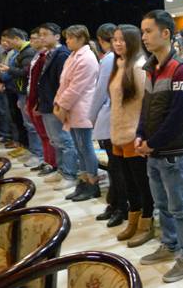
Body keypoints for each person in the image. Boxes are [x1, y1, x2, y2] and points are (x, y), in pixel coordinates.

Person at [136, 10, 183, 283]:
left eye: (148, 31)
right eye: (142, 32)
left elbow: (179, 116)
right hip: (153, 151)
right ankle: (170, 244)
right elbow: (146, 106)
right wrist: (140, 135)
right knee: (162, 204)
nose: (144, 37)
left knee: (180, 207)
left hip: (172, 152)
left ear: (166, 33)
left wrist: (152, 143)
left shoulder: (181, 69)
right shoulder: (151, 67)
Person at [109, 24, 155, 246]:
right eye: (115, 39)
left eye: (122, 39)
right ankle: (133, 219)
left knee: (140, 182)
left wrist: (142, 132)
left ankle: (146, 222)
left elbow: (146, 103)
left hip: (133, 132)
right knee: (128, 181)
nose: (117, 43)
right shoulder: (119, 64)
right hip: (118, 132)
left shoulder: (138, 66)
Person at [54, 25, 101, 201]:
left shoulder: (87, 58)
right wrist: (58, 102)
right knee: (79, 148)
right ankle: (83, 181)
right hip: (71, 107)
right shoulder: (73, 56)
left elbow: (76, 87)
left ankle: (93, 184)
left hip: (82, 107)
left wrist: (62, 105)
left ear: (81, 38)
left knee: (85, 147)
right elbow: (63, 84)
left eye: (70, 38)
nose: (67, 41)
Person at [89, 23, 127, 227]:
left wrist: (91, 116)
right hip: (111, 118)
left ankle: (120, 206)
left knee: (117, 167)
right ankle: (116, 204)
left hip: (112, 119)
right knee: (115, 167)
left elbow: (100, 91)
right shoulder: (115, 58)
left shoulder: (110, 59)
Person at [37, 23, 79, 190]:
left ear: (56, 36)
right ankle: (61, 170)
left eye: (45, 34)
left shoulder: (62, 54)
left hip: (57, 104)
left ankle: (69, 174)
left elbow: (64, 84)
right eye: (40, 34)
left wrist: (60, 104)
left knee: (65, 141)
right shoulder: (49, 54)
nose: (41, 37)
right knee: (55, 141)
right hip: (48, 103)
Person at [0, 28, 43, 166]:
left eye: (9, 41)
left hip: (26, 93)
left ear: (17, 39)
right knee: (27, 124)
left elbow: (26, 73)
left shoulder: (28, 52)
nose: (7, 44)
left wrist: (8, 70)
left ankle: (38, 155)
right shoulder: (21, 52)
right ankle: (34, 152)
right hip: (22, 92)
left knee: (32, 125)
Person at [26, 27, 57, 176]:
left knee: (49, 135)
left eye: (39, 37)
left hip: (42, 101)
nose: (35, 40)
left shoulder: (46, 57)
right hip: (33, 98)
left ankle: (53, 163)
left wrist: (38, 102)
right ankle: (47, 160)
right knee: (41, 133)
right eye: (34, 38)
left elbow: (43, 83)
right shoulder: (38, 56)